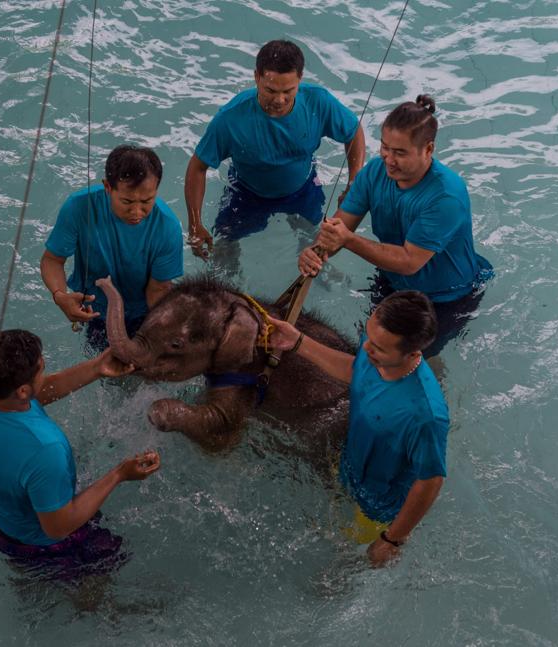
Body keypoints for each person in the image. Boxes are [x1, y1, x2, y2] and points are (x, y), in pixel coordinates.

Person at [298, 95, 494, 357]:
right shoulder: (374, 172)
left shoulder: (447, 196)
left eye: (400, 152)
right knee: (370, 351)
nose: (389, 159)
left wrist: (348, 240)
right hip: (394, 282)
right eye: (385, 147)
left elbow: (409, 261)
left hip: (446, 297)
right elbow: (339, 229)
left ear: (428, 149)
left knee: (410, 364)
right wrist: (316, 251)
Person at [266, 290, 448, 566]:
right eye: (368, 336)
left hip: (380, 505)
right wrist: (297, 342)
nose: (366, 348)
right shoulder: (374, 349)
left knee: (347, 563)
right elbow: (356, 370)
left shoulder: (425, 415)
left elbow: (430, 480)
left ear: (412, 353)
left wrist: (392, 538)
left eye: (379, 348)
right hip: (351, 467)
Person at [0, 329, 160, 576]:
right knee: (102, 572)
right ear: (22, 390)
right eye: (41, 369)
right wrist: (119, 474)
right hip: (35, 543)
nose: (45, 372)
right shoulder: (46, 449)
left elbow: (35, 396)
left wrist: (96, 367)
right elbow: (58, 527)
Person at [184, 39, 366, 256]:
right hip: (246, 193)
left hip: (303, 189)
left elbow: (354, 131)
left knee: (313, 239)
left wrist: (353, 182)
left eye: (288, 91)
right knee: (224, 246)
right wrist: (195, 223)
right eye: (270, 90)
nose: (280, 100)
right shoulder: (230, 119)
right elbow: (197, 167)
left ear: (300, 79)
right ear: (256, 77)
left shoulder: (318, 102)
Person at [41, 145, 184, 351]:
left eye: (146, 201)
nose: (137, 211)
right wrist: (60, 295)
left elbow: (158, 289)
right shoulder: (79, 207)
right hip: (95, 309)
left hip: (143, 312)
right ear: (108, 187)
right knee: (109, 374)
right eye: (127, 201)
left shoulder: (167, 227)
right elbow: (53, 260)